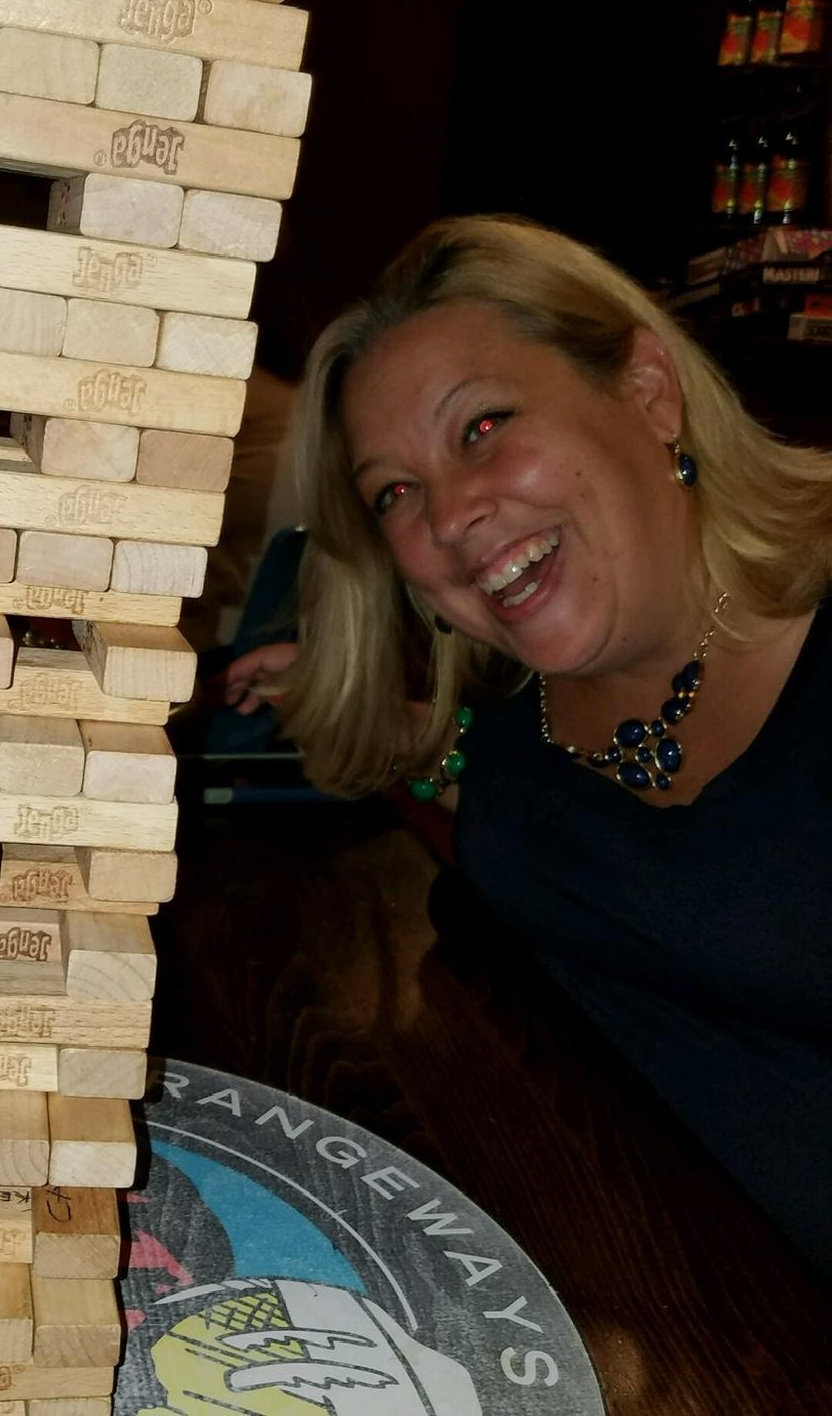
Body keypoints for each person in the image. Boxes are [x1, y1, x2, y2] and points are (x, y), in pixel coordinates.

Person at [225, 216, 832, 1282]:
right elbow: (579, 834)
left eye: (483, 426)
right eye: (394, 492)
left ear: (646, 390)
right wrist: (398, 729)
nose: (451, 515)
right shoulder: (520, 719)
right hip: (622, 1284)